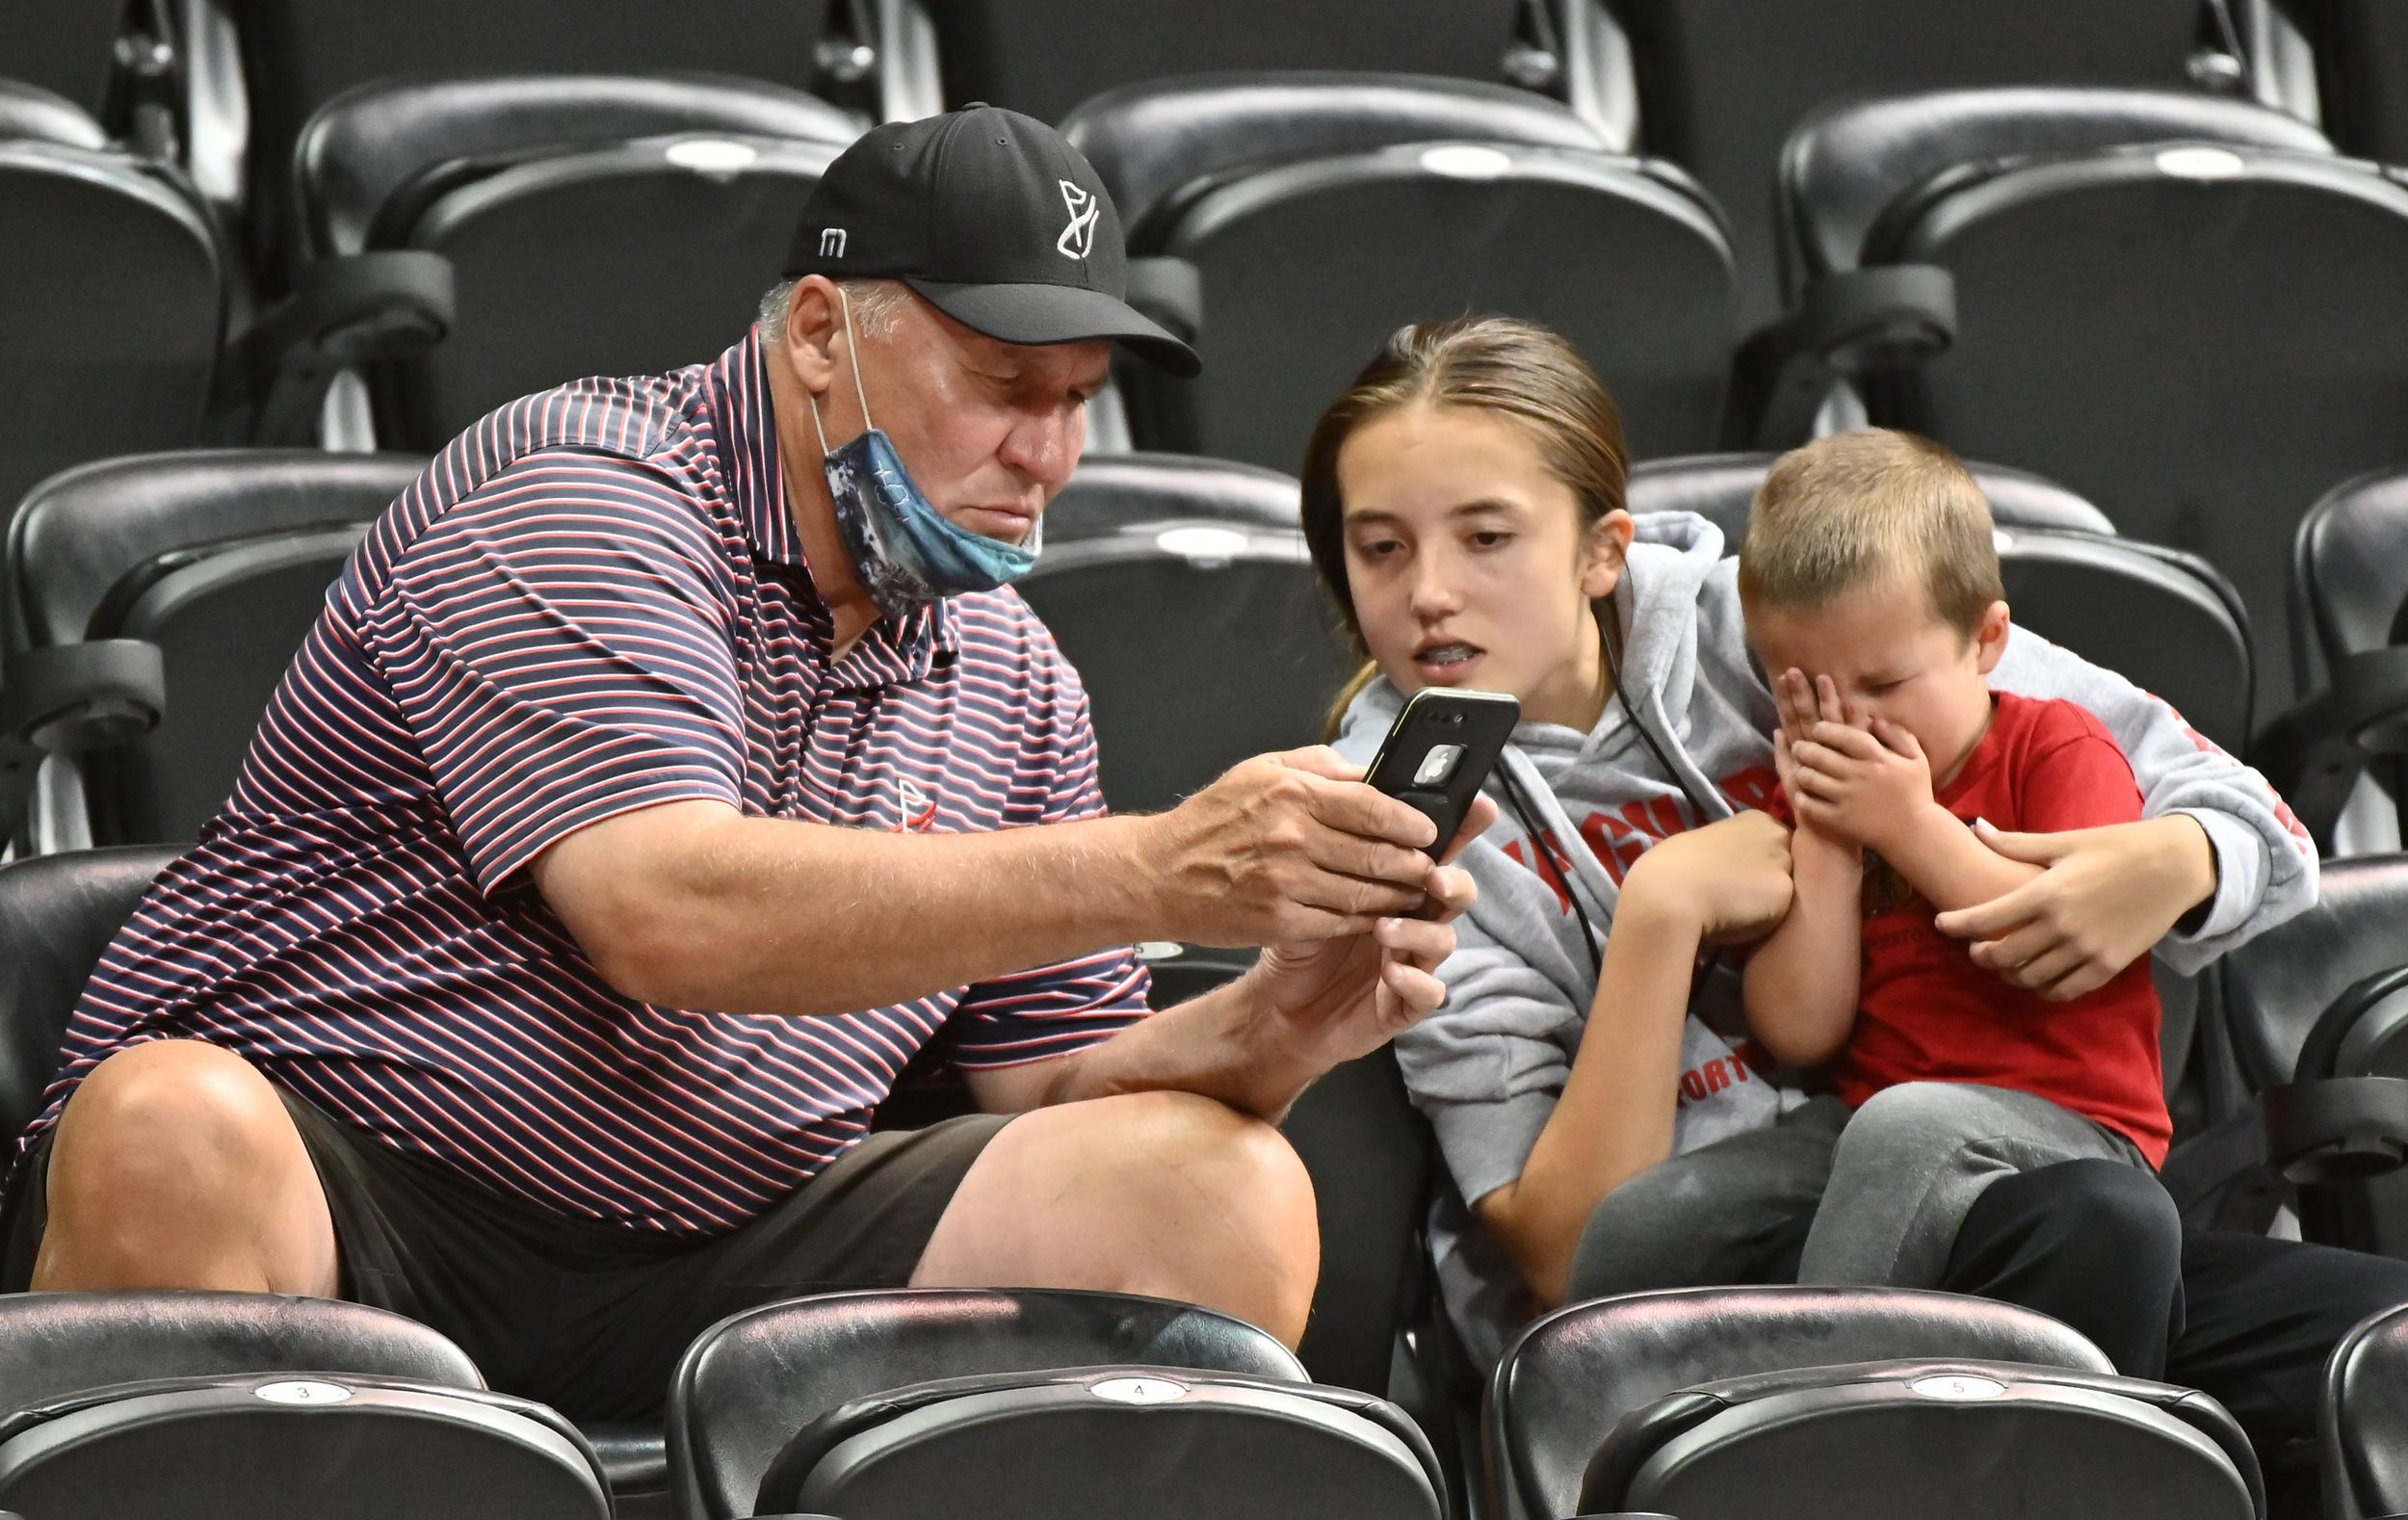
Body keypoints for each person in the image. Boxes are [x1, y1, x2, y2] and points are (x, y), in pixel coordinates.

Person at [0, 106, 1489, 1421]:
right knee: (170, 1127)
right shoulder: (583, 493)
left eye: (1081, 395)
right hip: (354, 1190)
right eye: (1006, 383)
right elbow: (667, 913)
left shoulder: (1017, 673)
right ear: (823, 332)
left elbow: (1049, 1096)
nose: (1051, 452)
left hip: (726, 1245)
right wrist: (1157, 866)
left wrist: (1283, 1022)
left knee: (1210, 1187)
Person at [1303, 313, 2405, 1473]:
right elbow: (1569, 1258)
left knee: (2336, 1325)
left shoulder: (1796, 620)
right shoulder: (1388, 823)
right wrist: (1662, 917)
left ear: (1601, 549)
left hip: (1978, 1195)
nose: (1430, 593)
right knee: (2097, 1229)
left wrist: (2176, 859)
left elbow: (2262, 829)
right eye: (1378, 549)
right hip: (1709, 1291)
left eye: (1485, 537)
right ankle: (1809, 1448)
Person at [1720, 430, 2172, 1291]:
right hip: (1866, 1125)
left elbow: (2049, 942)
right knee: (1657, 1213)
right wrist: (1828, 846)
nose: (1853, 724)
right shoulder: (1834, 795)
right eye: (1808, 689)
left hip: (2072, 1127)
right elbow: (1799, 1032)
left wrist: (1909, 826)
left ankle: (1826, 1400)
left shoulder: (2057, 747)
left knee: (1908, 1127)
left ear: (1987, 640)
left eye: (1886, 686)